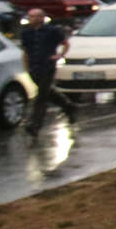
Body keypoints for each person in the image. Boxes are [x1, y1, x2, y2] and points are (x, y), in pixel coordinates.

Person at [21, 8, 77, 136]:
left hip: (47, 66)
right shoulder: (26, 33)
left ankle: (35, 124)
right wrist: (26, 67)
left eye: (37, 16)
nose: (34, 19)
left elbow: (65, 43)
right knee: (48, 92)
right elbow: (25, 51)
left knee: (41, 95)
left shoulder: (52, 31)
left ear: (42, 17)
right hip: (34, 67)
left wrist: (60, 55)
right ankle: (69, 106)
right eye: (31, 16)